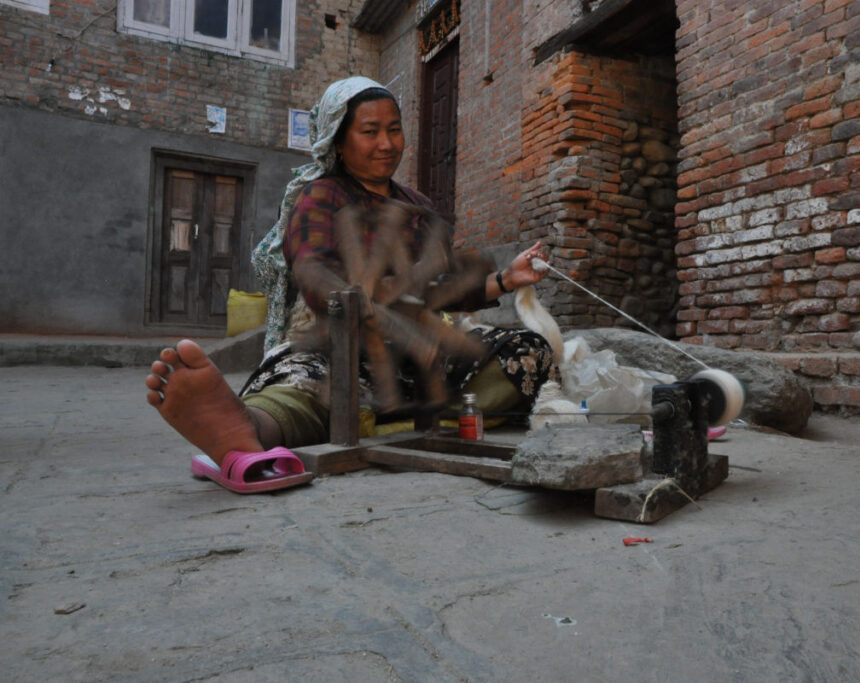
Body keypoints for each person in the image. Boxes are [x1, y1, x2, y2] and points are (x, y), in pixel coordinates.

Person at [145, 76, 554, 493]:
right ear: (338, 141)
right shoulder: (321, 197)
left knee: (529, 353)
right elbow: (311, 269)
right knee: (306, 386)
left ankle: (385, 416)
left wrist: (506, 278)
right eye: (370, 131)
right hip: (340, 345)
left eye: (394, 129)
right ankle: (246, 428)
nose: (387, 143)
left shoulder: (420, 207)